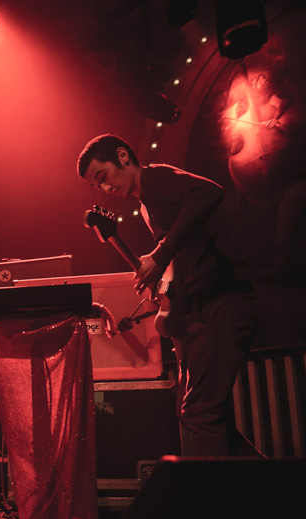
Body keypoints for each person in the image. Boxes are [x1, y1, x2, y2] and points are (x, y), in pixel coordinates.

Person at [77, 134, 258, 457]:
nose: (105, 189)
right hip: (204, 311)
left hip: (222, 304)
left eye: (103, 177)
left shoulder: (155, 178)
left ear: (122, 156)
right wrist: (163, 279)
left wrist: (160, 255)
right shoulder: (147, 204)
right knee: (198, 415)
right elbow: (185, 255)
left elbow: (209, 191)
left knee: (200, 413)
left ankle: (230, 504)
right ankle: (274, 493)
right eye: (96, 186)